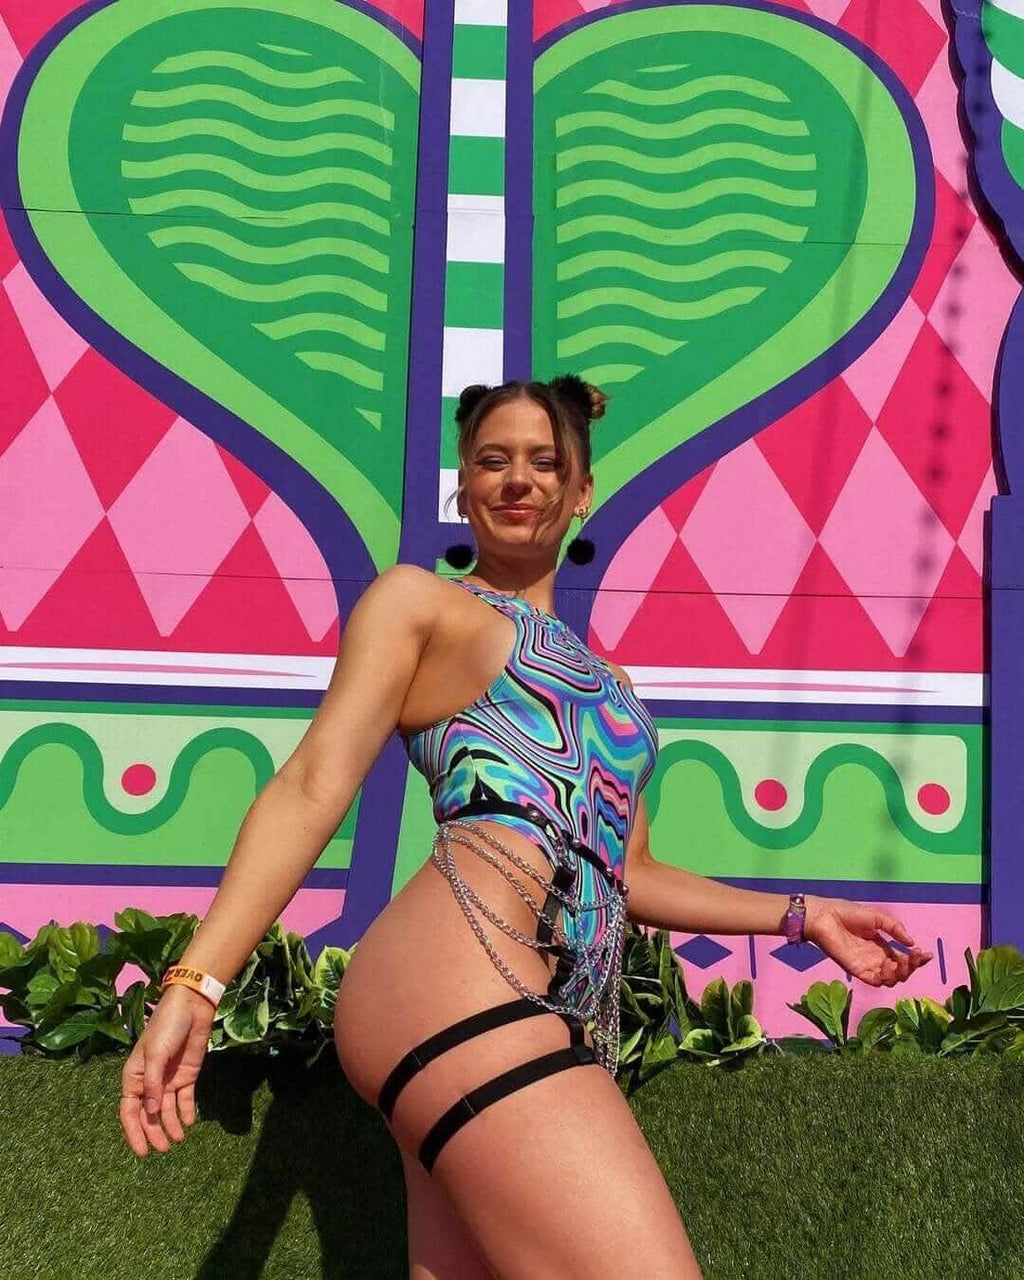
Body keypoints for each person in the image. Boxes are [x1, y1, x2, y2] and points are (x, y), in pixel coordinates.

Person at [119, 374, 932, 1278]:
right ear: (462, 487)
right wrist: (197, 981)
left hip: (542, 1008)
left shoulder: (617, 693)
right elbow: (311, 786)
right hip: (458, 979)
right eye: (492, 461)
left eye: (546, 462)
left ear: (581, 491)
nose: (518, 480)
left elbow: (633, 874)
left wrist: (802, 912)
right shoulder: (422, 605)